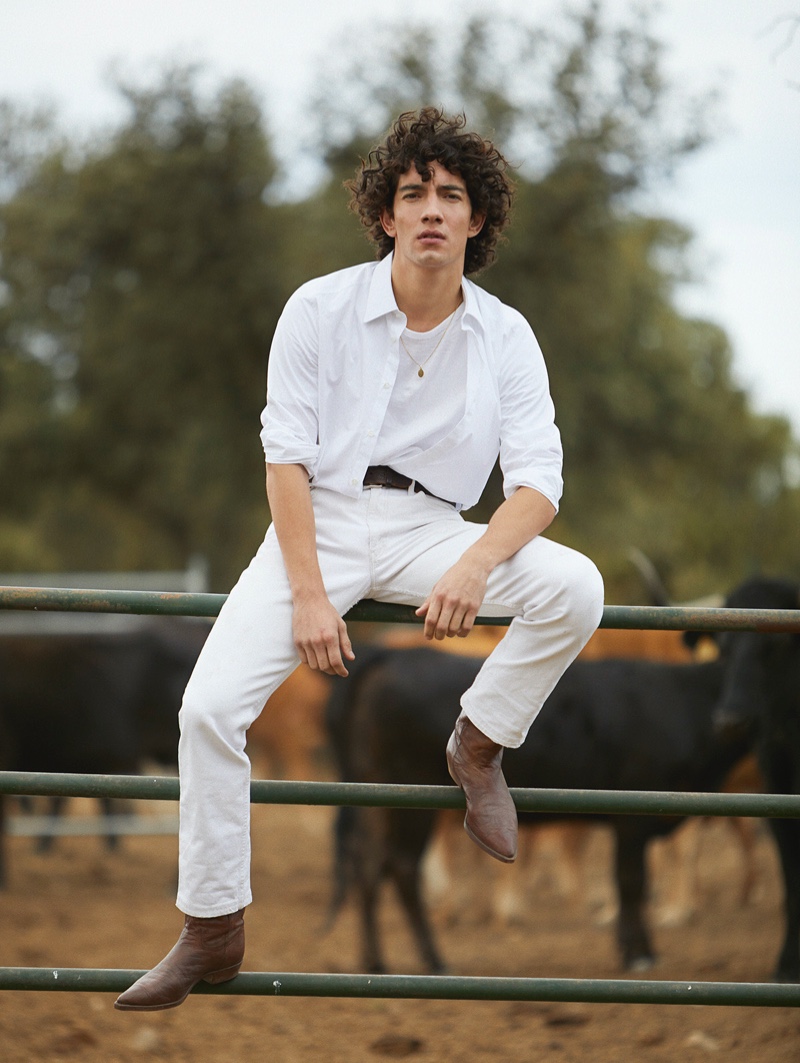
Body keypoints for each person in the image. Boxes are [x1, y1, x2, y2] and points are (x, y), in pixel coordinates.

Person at [115, 107, 604, 1012]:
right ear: (385, 213)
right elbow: (285, 458)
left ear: (477, 220)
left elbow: (539, 485)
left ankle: (478, 742)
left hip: (437, 528)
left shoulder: (508, 336)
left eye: (450, 196)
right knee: (208, 710)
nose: (430, 210)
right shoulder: (318, 307)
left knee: (577, 585)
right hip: (319, 524)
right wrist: (309, 594)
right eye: (412, 193)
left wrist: (473, 565)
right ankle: (213, 926)